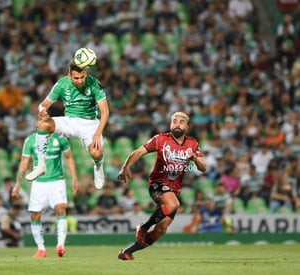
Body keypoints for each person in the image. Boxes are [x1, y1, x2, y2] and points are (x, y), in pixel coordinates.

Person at [117, 112, 206, 261]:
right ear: (170, 124)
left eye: (181, 122)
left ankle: (127, 251)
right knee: (173, 204)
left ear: (187, 127)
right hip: (157, 183)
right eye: (174, 121)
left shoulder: (192, 144)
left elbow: (203, 167)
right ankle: (144, 227)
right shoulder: (161, 139)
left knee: (161, 229)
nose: (177, 124)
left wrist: (195, 159)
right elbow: (139, 152)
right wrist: (125, 167)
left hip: (174, 190)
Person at [25, 58, 109, 190]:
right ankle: (41, 165)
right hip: (69, 121)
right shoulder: (61, 84)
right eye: (76, 78)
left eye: (82, 77)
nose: (80, 80)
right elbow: (43, 104)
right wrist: (42, 112)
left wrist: (98, 133)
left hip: (90, 124)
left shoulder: (94, 84)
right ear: (69, 75)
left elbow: (105, 111)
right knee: (42, 124)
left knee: (96, 153)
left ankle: (98, 168)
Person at [12, 132, 78, 258]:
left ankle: (60, 245)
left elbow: (69, 157)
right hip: (39, 182)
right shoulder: (30, 140)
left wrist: (74, 177)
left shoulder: (60, 138)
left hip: (57, 180)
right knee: (35, 215)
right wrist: (18, 183)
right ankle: (41, 249)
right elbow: (24, 162)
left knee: (61, 208)